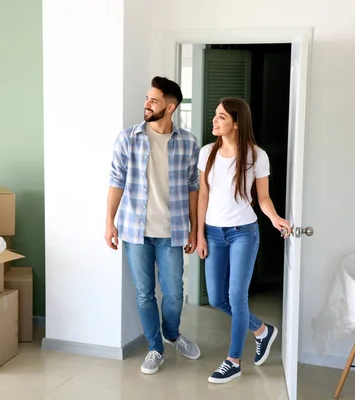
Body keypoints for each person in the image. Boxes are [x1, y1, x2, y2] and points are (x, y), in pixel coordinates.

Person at [105, 76, 201, 375]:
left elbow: (193, 187)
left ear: (170, 107)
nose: (146, 104)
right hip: (135, 231)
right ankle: (155, 347)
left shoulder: (188, 142)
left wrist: (195, 229)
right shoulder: (128, 138)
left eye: (154, 100)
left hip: (172, 231)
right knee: (145, 293)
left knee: (173, 293)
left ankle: (172, 334)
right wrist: (109, 222)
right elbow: (116, 181)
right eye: (147, 98)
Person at [196, 97, 291, 384]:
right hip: (213, 232)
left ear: (237, 123)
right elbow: (203, 195)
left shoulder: (257, 156)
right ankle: (262, 330)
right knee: (217, 298)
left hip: (243, 233)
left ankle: (233, 361)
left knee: (237, 297)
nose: (215, 120)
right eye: (216, 115)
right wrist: (199, 234)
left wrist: (275, 219)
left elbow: (262, 197)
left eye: (222, 117)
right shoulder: (207, 153)